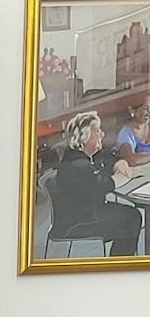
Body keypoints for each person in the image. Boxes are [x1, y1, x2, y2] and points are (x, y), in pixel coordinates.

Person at [47, 110, 141, 256]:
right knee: (131, 217)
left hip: (87, 212)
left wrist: (119, 163)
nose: (102, 134)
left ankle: (119, 262)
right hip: (77, 222)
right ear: (84, 137)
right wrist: (125, 176)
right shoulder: (76, 164)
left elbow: (107, 159)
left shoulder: (83, 155)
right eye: (97, 130)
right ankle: (118, 266)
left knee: (128, 214)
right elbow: (101, 185)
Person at [113, 103, 150, 170]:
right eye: (145, 108)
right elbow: (130, 159)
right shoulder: (125, 133)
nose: (149, 112)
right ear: (132, 110)